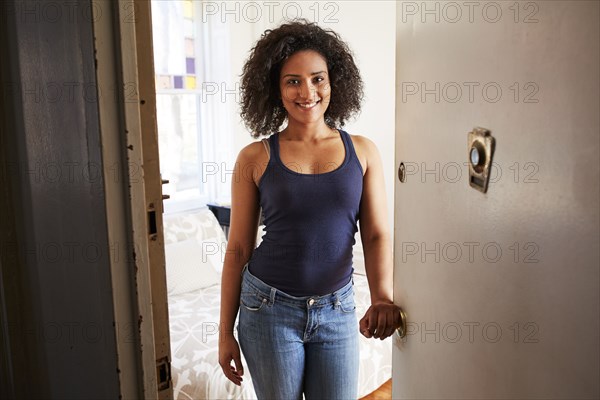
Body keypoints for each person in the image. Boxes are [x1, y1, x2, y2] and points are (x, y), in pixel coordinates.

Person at [218, 19, 402, 399]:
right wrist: (224, 332)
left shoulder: (364, 152)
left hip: (337, 308)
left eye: (318, 79)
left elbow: (376, 232)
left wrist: (382, 295)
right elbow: (238, 248)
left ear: (334, 82)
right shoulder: (254, 157)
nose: (308, 91)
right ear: (275, 89)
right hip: (267, 309)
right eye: (293, 81)